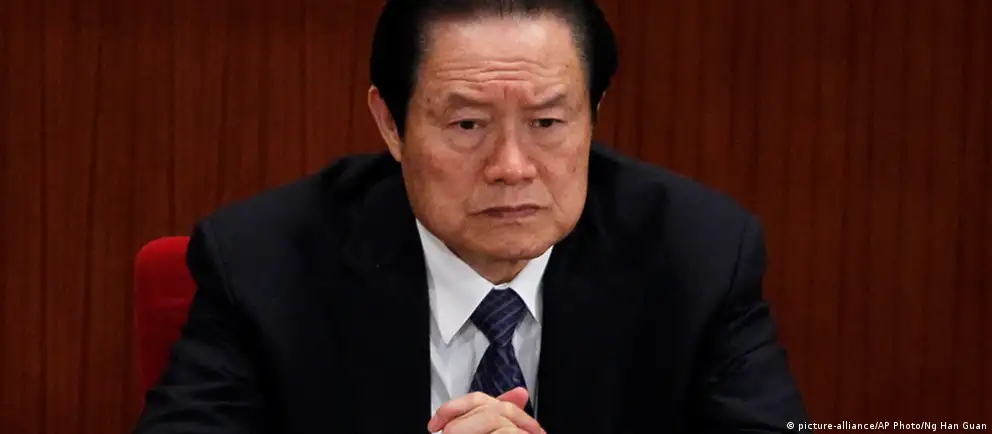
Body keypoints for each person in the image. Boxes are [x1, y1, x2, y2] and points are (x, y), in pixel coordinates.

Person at [134, 0, 810, 433]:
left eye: (547, 122)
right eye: (467, 124)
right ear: (390, 124)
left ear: (593, 114)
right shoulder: (263, 265)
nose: (511, 166)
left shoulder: (698, 255)